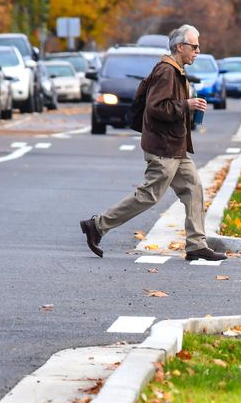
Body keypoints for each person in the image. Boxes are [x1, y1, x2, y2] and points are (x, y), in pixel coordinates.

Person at [80, 24, 226, 261]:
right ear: (180, 47)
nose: (198, 51)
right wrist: (186, 105)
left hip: (175, 147)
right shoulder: (167, 71)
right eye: (194, 46)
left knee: (193, 189)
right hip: (163, 148)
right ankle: (96, 226)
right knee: (149, 195)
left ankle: (196, 244)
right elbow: (156, 107)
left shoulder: (176, 69)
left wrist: (188, 106)